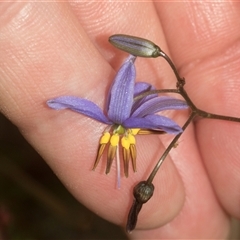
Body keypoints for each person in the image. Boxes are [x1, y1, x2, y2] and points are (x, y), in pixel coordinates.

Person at [0, 2, 239, 238]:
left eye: (116, 137)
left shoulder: (126, 114)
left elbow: (169, 118)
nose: (115, 139)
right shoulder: (129, 115)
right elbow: (166, 118)